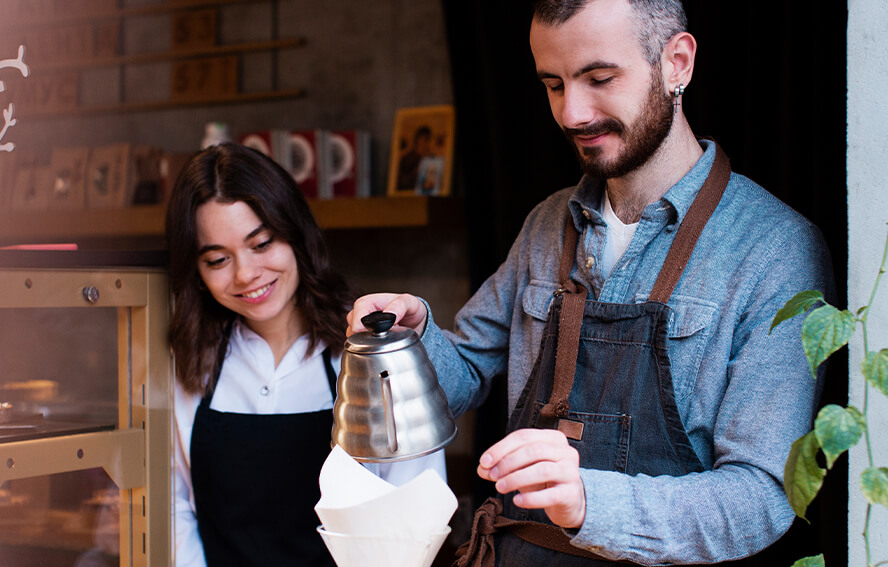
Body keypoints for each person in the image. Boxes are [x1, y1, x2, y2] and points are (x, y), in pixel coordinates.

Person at [346, 0, 835, 565]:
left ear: (677, 62)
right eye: (553, 85)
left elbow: (763, 499)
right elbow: (461, 379)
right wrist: (409, 337)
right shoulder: (547, 223)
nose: (573, 113)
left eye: (599, 78)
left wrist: (588, 502)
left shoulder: (774, 248)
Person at [166, 142, 445, 567]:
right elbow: (174, 510)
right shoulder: (189, 364)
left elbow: (415, 519)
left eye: (261, 244)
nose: (245, 274)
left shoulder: (373, 357)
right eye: (219, 259)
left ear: (296, 234)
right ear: (197, 273)